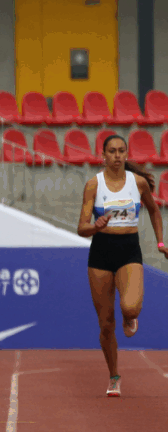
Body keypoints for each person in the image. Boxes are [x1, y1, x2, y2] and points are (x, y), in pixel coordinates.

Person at [76, 134, 167, 398]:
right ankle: (114, 376)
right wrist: (95, 226)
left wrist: (161, 243)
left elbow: (154, 211)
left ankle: (131, 316)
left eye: (121, 151)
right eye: (112, 151)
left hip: (129, 250)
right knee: (105, 324)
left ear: (126, 155)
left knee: (130, 306)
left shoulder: (137, 183)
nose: (117, 155)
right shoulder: (94, 185)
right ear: (102, 155)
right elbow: (81, 228)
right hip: (101, 254)